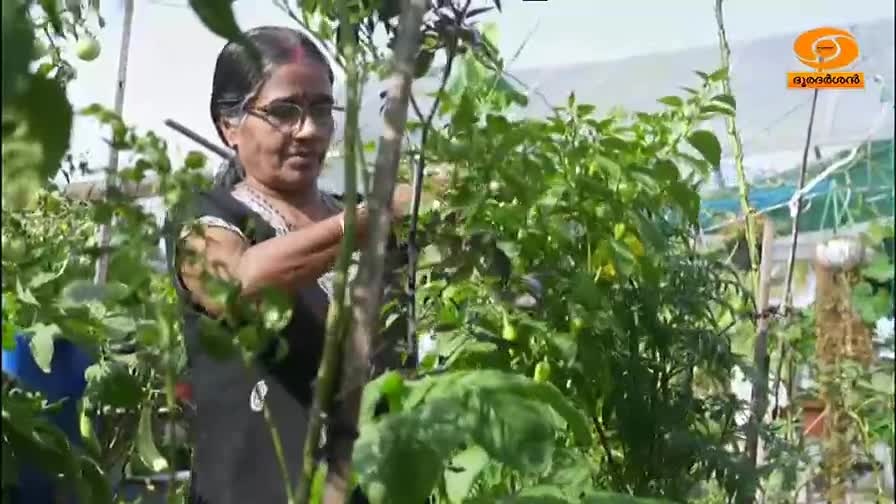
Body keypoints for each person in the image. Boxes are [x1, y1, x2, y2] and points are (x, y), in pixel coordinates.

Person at [167, 26, 413, 504]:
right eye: (284, 111)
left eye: (322, 109)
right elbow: (236, 283)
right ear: (229, 126)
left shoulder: (368, 216)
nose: (309, 130)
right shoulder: (206, 218)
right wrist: (366, 222)